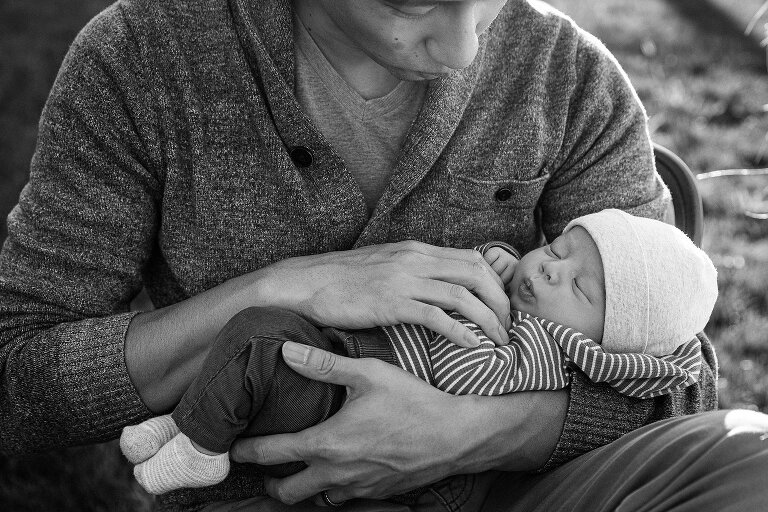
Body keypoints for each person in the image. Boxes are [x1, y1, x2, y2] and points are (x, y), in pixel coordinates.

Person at [0, 0, 766, 510]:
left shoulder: (572, 79)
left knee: (753, 461)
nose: (468, 48)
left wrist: (471, 433)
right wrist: (287, 289)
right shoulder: (145, 58)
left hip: (524, 493)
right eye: (412, 1)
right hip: (255, 497)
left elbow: (687, 385)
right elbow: (17, 377)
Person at [120, 209, 717, 496]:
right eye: (556, 249)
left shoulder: (543, 348)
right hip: (339, 370)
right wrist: (495, 262)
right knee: (258, 329)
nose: (550, 272)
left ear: (604, 340)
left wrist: (478, 426)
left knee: (260, 345)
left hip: (372, 418)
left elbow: (688, 387)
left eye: (580, 288)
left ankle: (196, 441)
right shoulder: (524, 300)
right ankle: (187, 430)